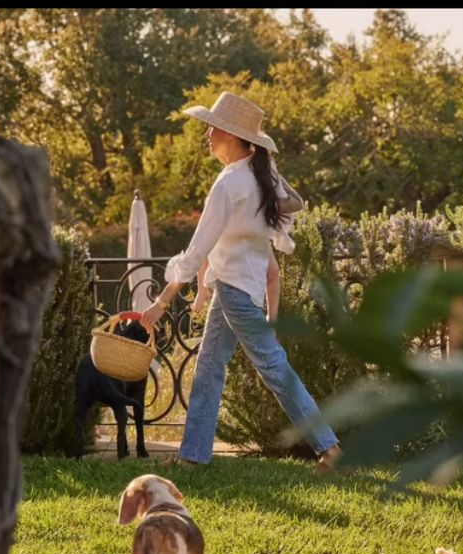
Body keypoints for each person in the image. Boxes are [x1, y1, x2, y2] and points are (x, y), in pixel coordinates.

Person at [140, 91, 341, 473]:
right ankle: (193, 457)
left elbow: (197, 250)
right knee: (210, 368)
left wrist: (160, 302)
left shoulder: (231, 184)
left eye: (213, 128)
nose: (208, 135)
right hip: (238, 290)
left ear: (232, 135)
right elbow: (264, 252)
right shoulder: (260, 178)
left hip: (236, 294)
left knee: (275, 369)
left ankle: (329, 447)